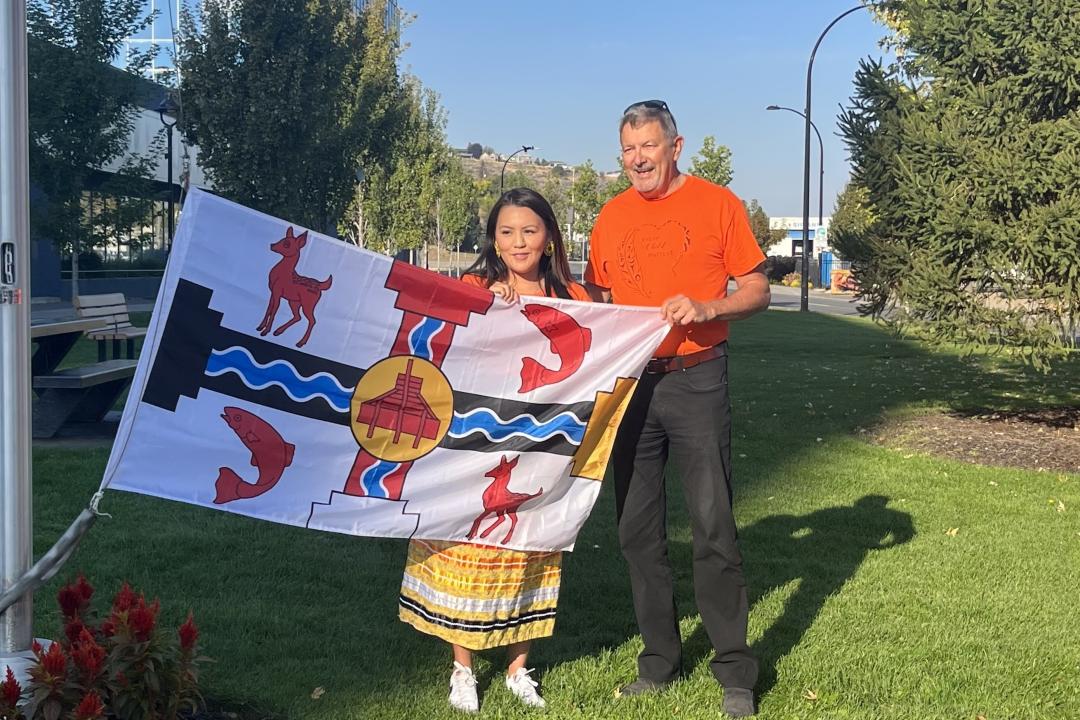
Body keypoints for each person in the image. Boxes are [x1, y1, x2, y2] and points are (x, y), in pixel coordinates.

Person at [584, 100, 771, 718]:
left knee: (713, 526)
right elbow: (595, 294)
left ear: (675, 145)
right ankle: (659, 661)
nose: (639, 160)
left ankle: (735, 673)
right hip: (632, 386)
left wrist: (710, 308)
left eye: (649, 147)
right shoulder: (611, 216)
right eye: (628, 151)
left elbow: (757, 288)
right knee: (637, 533)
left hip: (697, 380)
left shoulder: (719, 205)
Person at [398, 187, 592, 714]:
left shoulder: (577, 298)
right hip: (474, 446)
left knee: (529, 548)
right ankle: (463, 668)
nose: (518, 242)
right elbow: (444, 344)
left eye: (530, 230)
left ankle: (517, 668)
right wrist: (486, 309)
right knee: (467, 545)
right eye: (506, 232)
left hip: (543, 451)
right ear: (493, 239)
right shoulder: (474, 287)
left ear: (549, 236)